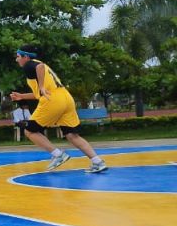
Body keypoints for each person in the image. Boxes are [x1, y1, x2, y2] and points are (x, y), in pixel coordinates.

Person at [9, 45, 108, 173]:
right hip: (66, 98)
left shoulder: (30, 65)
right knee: (72, 135)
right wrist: (22, 96)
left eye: (18, 56)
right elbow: (41, 92)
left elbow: (40, 72)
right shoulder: (43, 66)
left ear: (26, 56)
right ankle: (97, 161)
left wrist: (41, 86)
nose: (17, 60)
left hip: (53, 101)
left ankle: (57, 154)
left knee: (29, 131)